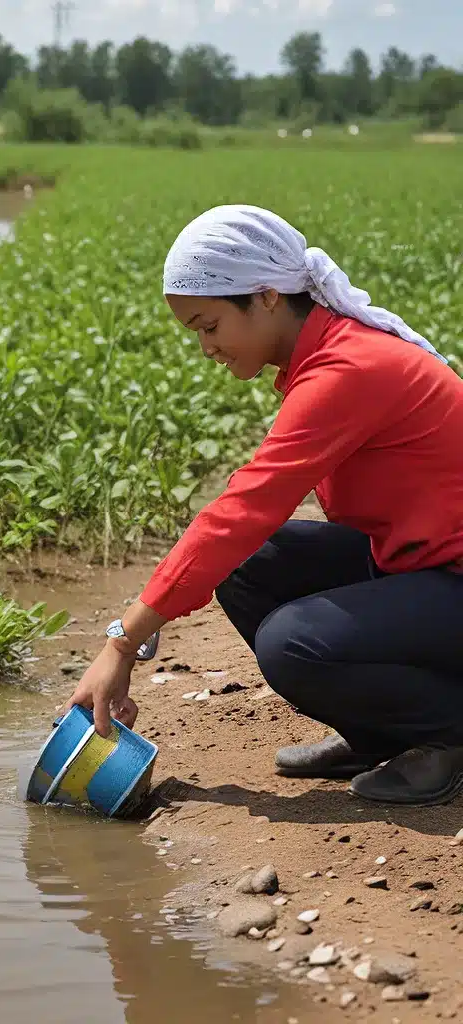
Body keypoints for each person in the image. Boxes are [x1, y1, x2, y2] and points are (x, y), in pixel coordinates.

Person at [65, 204, 463, 808]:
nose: (205, 348)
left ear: (268, 297)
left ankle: (444, 734)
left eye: (209, 325)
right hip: (421, 564)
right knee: (252, 562)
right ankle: (382, 733)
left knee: (293, 643)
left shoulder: (349, 369)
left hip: (449, 577)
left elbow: (244, 508)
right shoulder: (328, 354)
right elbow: (248, 525)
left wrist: (122, 642)